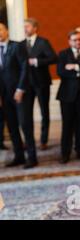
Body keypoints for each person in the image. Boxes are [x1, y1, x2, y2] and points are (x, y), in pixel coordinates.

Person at [0, 22, 37, 169]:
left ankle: (32, 157)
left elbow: (24, 68)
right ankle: (19, 156)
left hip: (20, 93)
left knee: (25, 125)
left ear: (7, 31)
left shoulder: (17, 46)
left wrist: (20, 89)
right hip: (5, 95)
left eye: (1, 30)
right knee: (12, 127)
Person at [56, 30, 80, 163]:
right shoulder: (63, 54)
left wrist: (75, 67)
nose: (77, 42)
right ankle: (65, 153)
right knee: (67, 126)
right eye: (74, 40)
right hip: (67, 96)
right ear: (69, 41)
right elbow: (61, 72)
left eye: (79, 39)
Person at [21, 18, 58, 150]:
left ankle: (43, 140)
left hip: (42, 83)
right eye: (24, 27)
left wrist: (37, 61)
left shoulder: (43, 42)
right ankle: (28, 140)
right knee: (26, 114)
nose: (25, 29)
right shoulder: (21, 44)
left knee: (44, 112)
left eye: (28, 26)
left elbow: (54, 58)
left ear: (35, 28)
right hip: (26, 84)